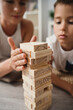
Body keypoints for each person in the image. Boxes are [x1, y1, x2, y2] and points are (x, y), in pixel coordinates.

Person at [0, 0, 36, 82]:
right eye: (9, 1)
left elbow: (24, 59)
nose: (17, 9)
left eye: (22, 3)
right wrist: (11, 63)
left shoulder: (28, 26)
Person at [47, 0, 73, 73]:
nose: (62, 27)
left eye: (71, 22)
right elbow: (48, 73)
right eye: (58, 22)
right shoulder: (51, 43)